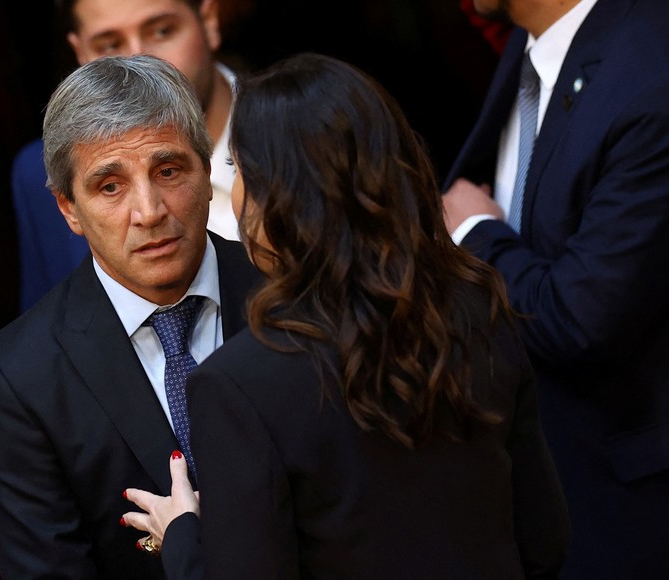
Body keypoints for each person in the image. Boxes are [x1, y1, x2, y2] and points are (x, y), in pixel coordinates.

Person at [122, 52, 570, 579]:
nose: (236, 190)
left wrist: (182, 535)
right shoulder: (476, 306)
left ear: (279, 197)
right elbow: (543, 541)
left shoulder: (237, 385)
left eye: (237, 168)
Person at [0, 54, 261, 579]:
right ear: (68, 209)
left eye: (168, 170)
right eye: (111, 186)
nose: (149, 210)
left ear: (206, 169)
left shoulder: (288, 294)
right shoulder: (22, 378)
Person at [441, 0, 669, 577]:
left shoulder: (647, 75)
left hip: (624, 513)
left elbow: (578, 319)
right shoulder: (534, 44)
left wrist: (475, 232)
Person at [13, 0, 241, 313]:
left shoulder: (309, 128)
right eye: (110, 44)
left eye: (162, 31)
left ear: (209, 21)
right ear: (80, 54)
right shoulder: (36, 174)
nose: (139, 60)